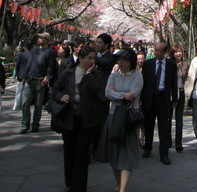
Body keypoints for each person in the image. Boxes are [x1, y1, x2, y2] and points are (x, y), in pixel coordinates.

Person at [52, 45, 103, 192]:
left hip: (86, 119)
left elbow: (96, 89)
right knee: (69, 152)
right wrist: (61, 96)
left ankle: (79, 186)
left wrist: (88, 74)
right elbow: (55, 89)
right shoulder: (68, 73)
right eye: (88, 58)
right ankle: (69, 183)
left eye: (93, 58)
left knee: (82, 153)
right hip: (69, 117)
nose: (91, 61)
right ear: (80, 58)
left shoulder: (95, 74)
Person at [96, 48, 143, 192]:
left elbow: (133, 94)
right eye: (119, 60)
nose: (120, 63)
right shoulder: (114, 76)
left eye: (124, 60)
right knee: (114, 154)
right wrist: (123, 95)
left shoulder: (137, 76)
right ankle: (119, 185)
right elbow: (107, 93)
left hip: (127, 117)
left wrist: (117, 94)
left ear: (131, 62)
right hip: (113, 115)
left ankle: (122, 189)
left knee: (126, 154)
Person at [141, 41, 178, 164]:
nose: (157, 52)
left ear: (165, 52)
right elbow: (143, 82)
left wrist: (174, 98)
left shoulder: (171, 65)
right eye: (155, 50)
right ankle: (147, 147)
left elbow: (174, 82)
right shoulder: (148, 64)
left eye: (159, 50)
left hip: (163, 98)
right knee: (149, 125)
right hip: (150, 97)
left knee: (163, 127)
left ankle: (164, 154)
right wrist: (141, 99)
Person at [20, 32, 57, 133]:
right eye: (39, 38)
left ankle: (35, 124)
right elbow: (29, 63)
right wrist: (24, 76)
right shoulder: (35, 50)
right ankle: (25, 124)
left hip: (41, 80)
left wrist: (47, 77)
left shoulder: (51, 52)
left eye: (41, 38)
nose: (39, 39)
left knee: (38, 104)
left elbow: (50, 66)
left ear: (46, 40)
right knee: (25, 103)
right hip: (30, 78)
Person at [168, 44, 188, 152]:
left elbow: (188, 78)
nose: (178, 54)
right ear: (172, 54)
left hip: (181, 92)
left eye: (180, 51)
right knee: (168, 118)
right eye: (176, 52)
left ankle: (178, 143)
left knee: (179, 118)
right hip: (170, 93)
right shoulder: (169, 64)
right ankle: (168, 141)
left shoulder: (185, 64)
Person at [13, 41, 32, 111]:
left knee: (19, 91)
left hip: (21, 75)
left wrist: (15, 74)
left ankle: (16, 106)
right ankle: (25, 105)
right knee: (27, 93)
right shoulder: (32, 55)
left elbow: (17, 65)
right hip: (29, 76)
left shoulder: (21, 55)